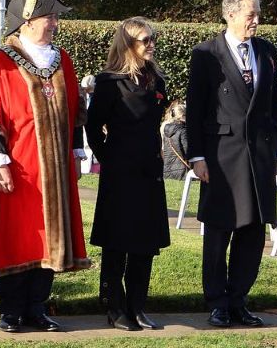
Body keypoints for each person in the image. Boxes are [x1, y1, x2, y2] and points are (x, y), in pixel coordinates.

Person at [0, 0, 90, 333]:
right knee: (18, 236)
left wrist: (76, 150)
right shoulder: (4, 60)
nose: (55, 23)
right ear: (27, 21)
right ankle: (10, 309)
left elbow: (74, 112)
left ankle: (37, 307)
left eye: (55, 17)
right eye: (49, 17)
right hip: (21, 167)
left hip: (55, 168)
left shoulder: (62, 60)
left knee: (51, 236)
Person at [186, 0, 277, 329]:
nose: (256, 20)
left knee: (253, 232)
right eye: (250, 14)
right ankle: (217, 304)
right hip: (220, 157)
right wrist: (197, 156)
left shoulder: (266, 51)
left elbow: (275, 105)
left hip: (259, 155)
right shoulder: (206, 54)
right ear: (230, 14)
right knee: (218, 232)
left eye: (257, 14)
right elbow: (195, 110)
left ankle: (239, 300)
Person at [85, 17, 170, 331]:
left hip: (149, 170)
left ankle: (138, 306)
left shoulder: (156, 79)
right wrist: (109, 158)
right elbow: (93, 128)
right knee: (118, 241)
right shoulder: (110, 81)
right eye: (145, 40)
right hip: (121, 172)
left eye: (153, 38)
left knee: (145, 244)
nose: (151, 44)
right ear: (128, 44)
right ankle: (114, 306)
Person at [162, 101, 190, 180]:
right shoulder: (183, 130)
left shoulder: (166, 129)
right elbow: (188, 151)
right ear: (183, 115)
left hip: (167, 172)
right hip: (182, 172)